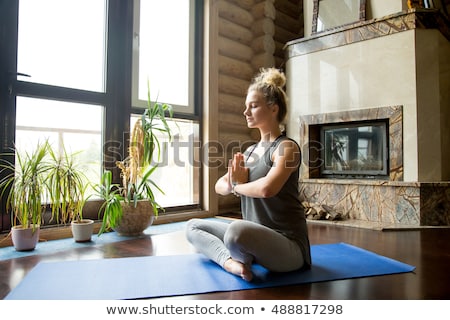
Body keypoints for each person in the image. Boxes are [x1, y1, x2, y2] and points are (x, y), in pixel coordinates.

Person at [186, 67, 311, 281]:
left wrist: (236, 186)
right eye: (246, 107)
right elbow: (219, 185)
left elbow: (266, 189)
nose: (246, 112)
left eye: (253, 106)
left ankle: (241, 257)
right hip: (255, 238)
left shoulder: (287, 147)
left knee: (236, 232)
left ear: (273, 109)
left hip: (288, 247)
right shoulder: (250, 151)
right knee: (193, 226)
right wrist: (233, 183)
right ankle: (231, 263)